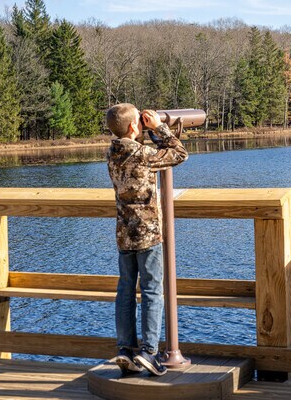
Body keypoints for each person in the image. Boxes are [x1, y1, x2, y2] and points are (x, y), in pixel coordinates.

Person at [105, 103, 188, 376]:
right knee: (152, 290)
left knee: (126, 291)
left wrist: (142, 129)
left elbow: (133, 143)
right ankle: (150, 353)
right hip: (148, 232)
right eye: (139, 122)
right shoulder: (142, 155)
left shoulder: (112, 152)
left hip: (123, 233)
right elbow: (179, 154)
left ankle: (125, 350)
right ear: (133, 127)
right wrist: (159, 127)